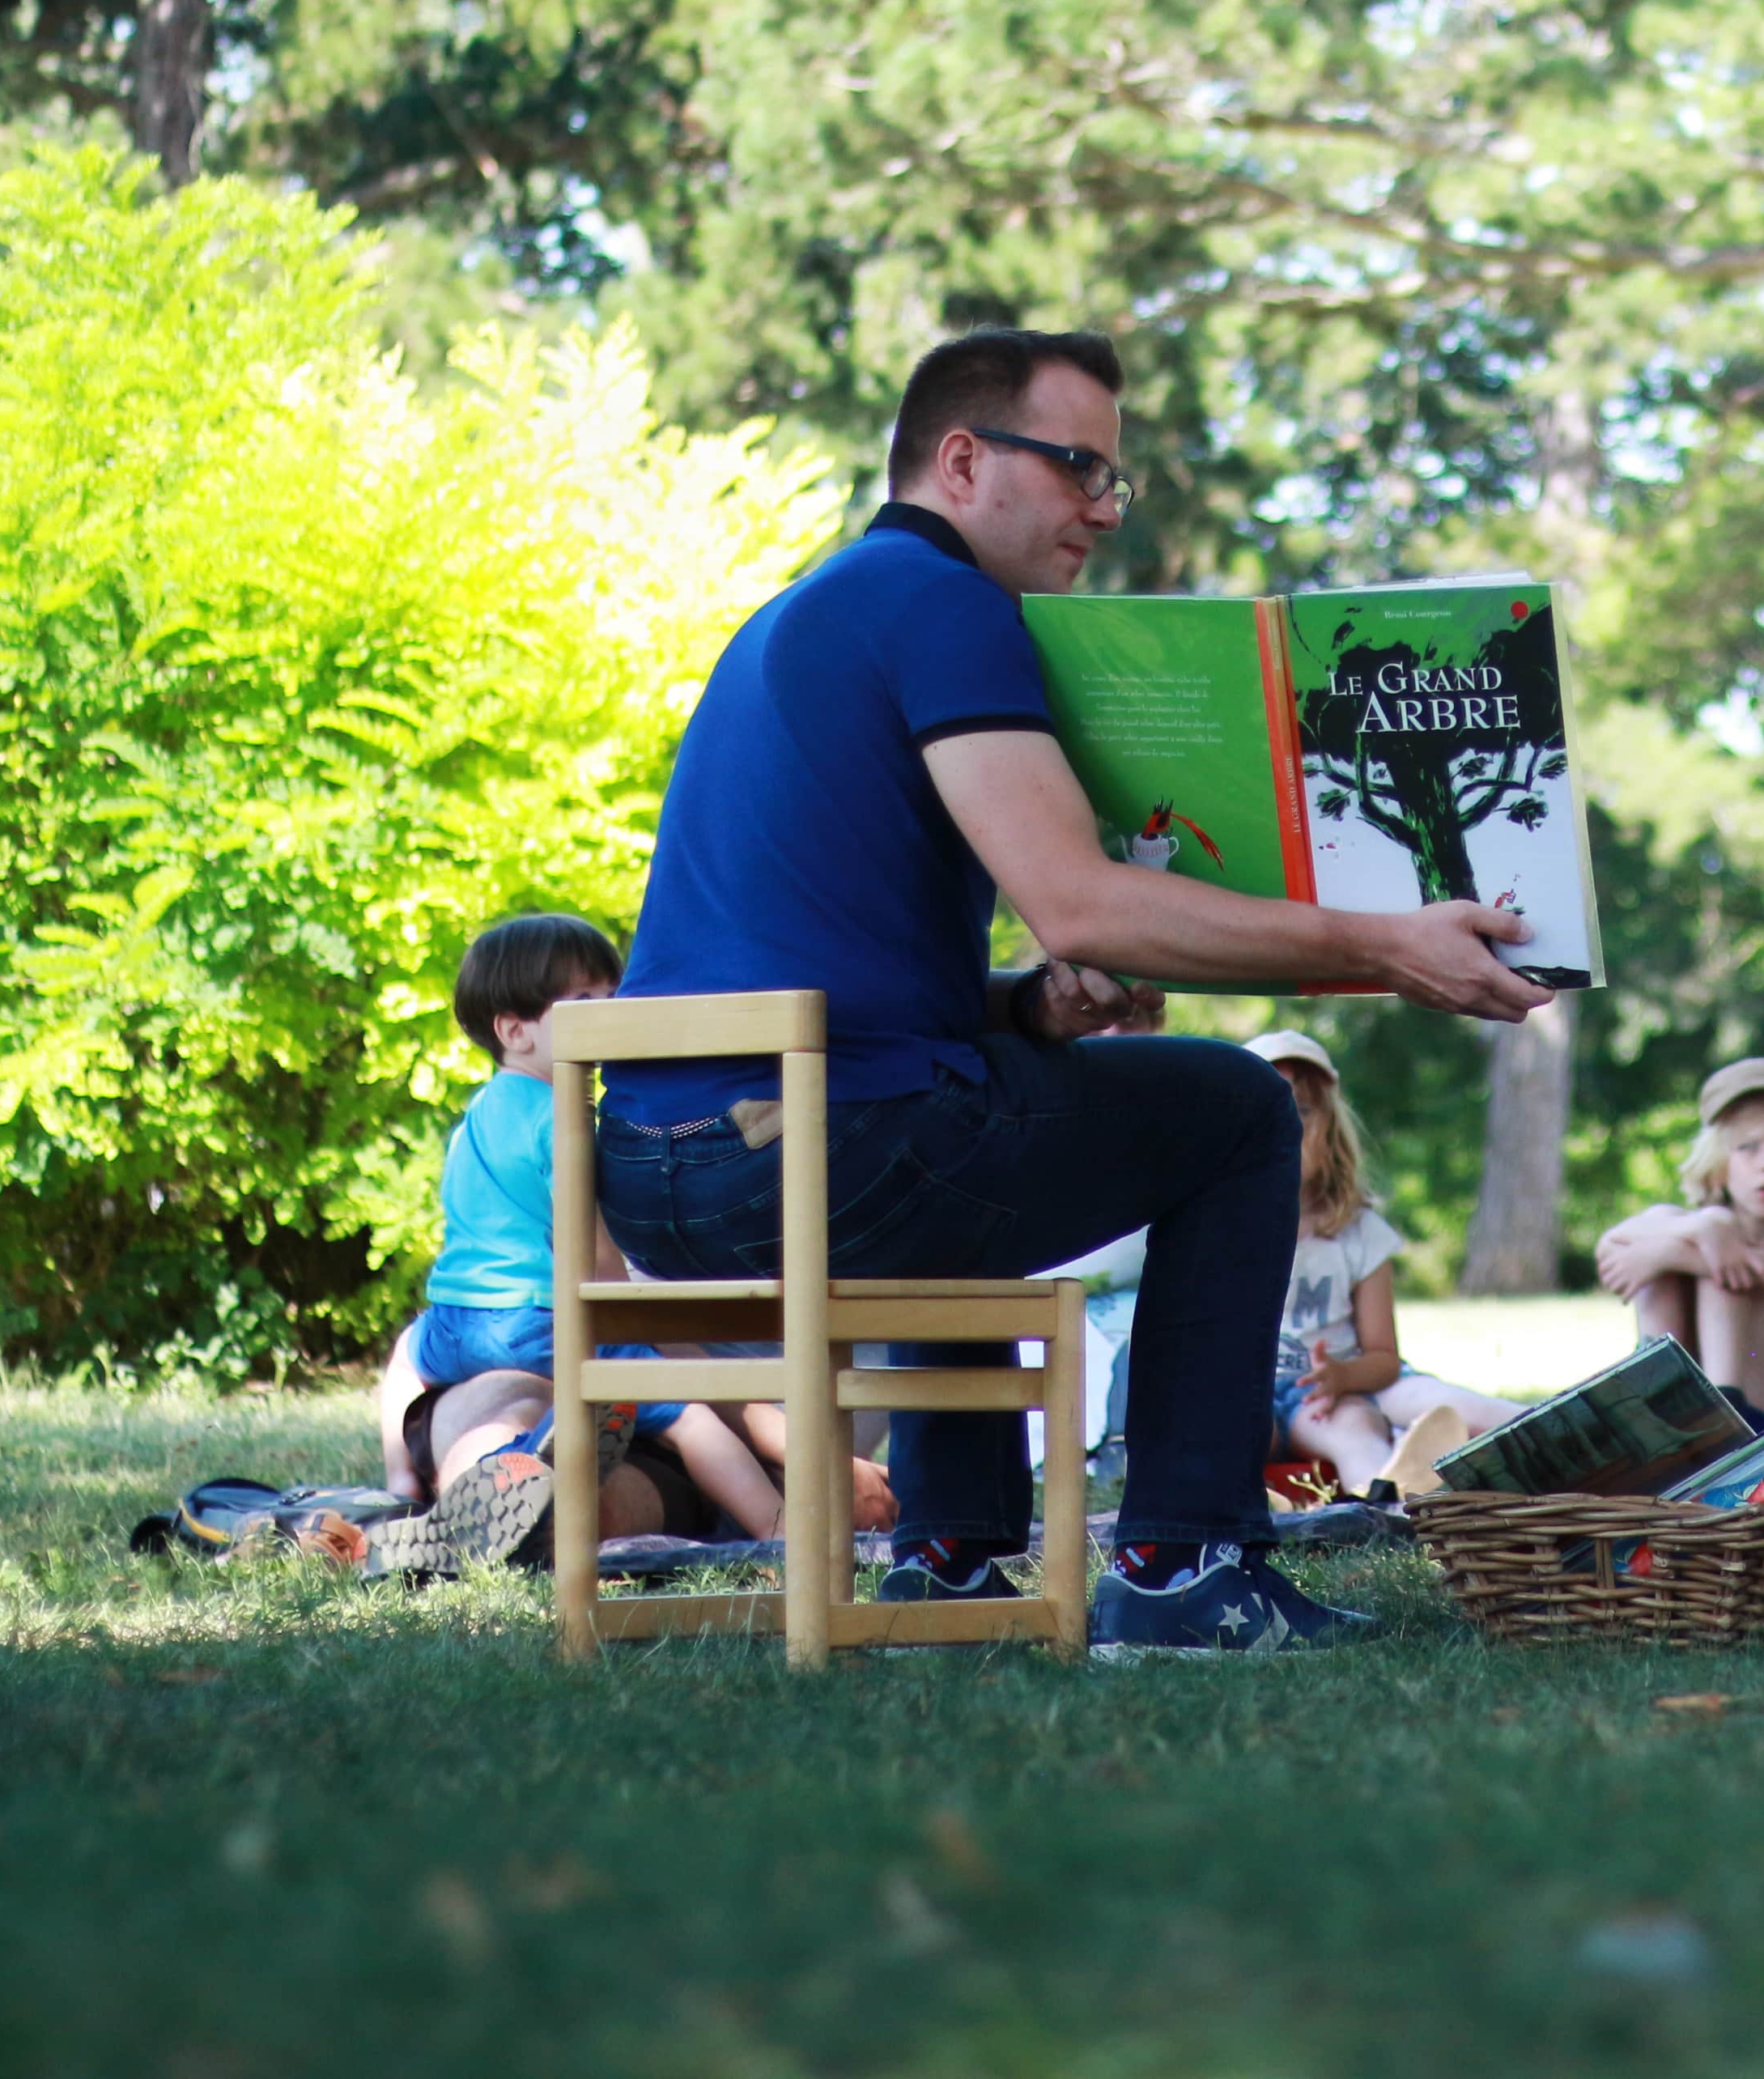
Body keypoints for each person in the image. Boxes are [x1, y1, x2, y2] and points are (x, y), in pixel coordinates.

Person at [592, 328, 1551, 1655]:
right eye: (1078, 467)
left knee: (991, 1089)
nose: (1103, 506)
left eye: (1116, 476)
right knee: (1228, 1108)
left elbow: (817, 976)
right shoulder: (949, 608)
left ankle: (955, 1558)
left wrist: (1027, 1008)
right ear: (965, 460)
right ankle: (1180, 1571)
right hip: (810, 1149)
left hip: (654, 1170)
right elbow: (1085, 901)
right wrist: (1387, 940)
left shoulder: (800, 614)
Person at [372, 915, 806, 1550]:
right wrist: (634, 1322)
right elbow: (595, 1261)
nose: (608, 1015)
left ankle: (403, 1482)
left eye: (612, 996)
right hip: (543, 1322)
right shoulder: (563, 1119)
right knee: (687, 1413)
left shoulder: (476, 1116)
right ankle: (781, 1527)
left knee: (406, 1353)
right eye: (582, 1003)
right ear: (513, 1030)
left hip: (458, 1322)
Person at [1250, 1031, 1520, 1493]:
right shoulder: (1215, 1228)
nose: (1288, 1127)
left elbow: (1383, 1359)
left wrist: (1341, 1376)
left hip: (1347, 1384)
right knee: (1325, 1433)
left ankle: (1566, 1433)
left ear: (1330, 1130)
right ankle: (1399, 1486)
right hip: (1265, 1399)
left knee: (1435, 1408)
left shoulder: (1359, 1231)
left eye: (1304, 1111)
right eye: (1268, 1113)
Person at [1592, 1057, 1764, 1418]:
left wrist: (1669, 1251)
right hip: (1692, 1390)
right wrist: (1704, 1227)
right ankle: (1656, 1401)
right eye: (1748, 1147)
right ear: (1717, 1164)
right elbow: (1611, 1246)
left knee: (1725, 1268)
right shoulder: (1698, 1229)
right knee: (1668, 1219)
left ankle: (1722, 1417)